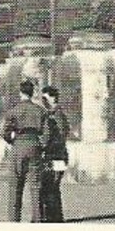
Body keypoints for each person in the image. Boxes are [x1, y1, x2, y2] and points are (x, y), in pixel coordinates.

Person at [1, 78, 47, 222]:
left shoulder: (13, 111)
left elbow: (5, 132)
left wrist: (12, 140)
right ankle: (37, 220)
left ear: (21, 93)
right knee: (36, 187)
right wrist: (41, 145)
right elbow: (46, 134)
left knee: (15, 187)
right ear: (33, 93)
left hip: (18, 147)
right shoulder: (41, 111)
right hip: (34, 147)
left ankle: (14, 221)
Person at [39, 84, 72, 223]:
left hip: (54, 156)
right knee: (53, 187)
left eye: (44, 98)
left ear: (51, 98)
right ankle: (55, 217)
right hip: (59, 155)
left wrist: (43, 145)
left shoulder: (54, 115)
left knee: (50, 186)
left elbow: (54, 136)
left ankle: (53, 218)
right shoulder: (58, 114)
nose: (42, 101)